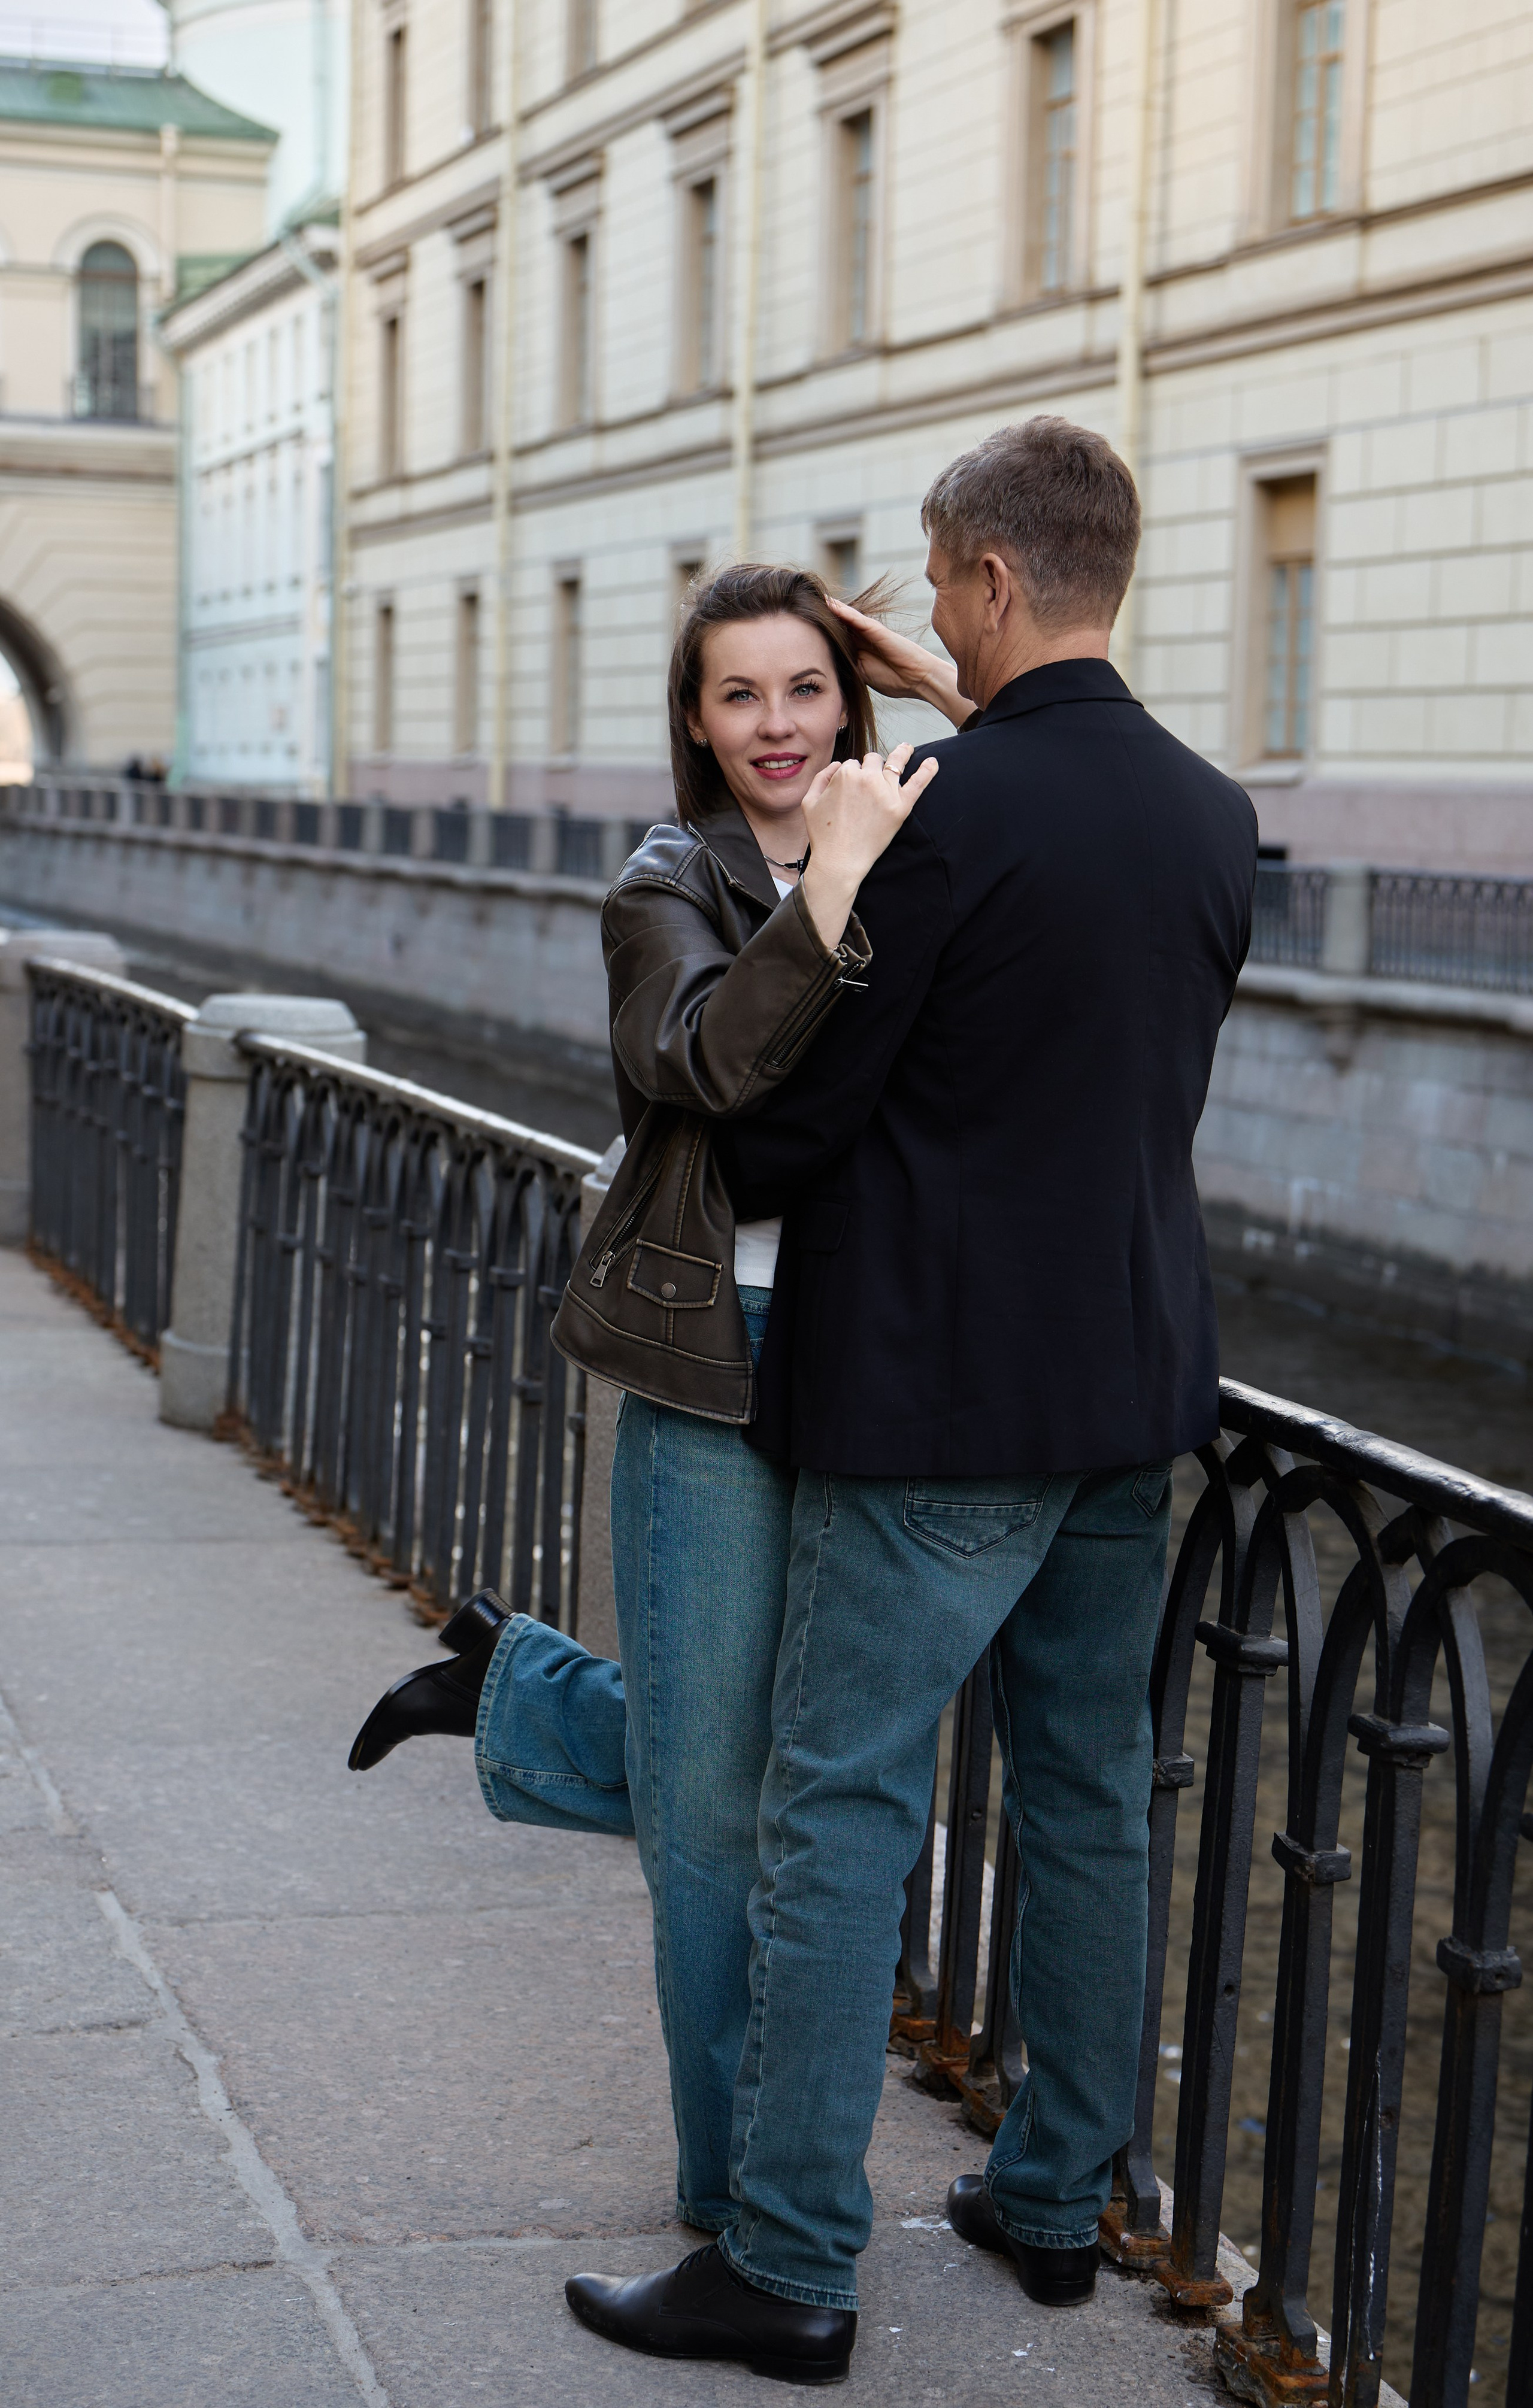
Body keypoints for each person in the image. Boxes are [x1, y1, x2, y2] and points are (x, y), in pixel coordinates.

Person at [559, 416, 1258, 2385]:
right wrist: (966, 716)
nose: (934, 619)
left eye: (945, 586)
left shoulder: (942, 817)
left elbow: (797, 1134)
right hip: (1137, 1384)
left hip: (944, 1398)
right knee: (1091, 1797)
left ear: (991, 580)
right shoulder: (1212, 815)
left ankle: (785, 2258)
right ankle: (1055, 2202)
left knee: (835, 1803)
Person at [346, 564, 959, 2254]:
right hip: (714, 1347)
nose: (780, 725)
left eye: (809, 688)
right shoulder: (666, 881)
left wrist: (949, 698)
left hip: (883, 1348)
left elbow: (1096, 809)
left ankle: (518, 1688)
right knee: (708, 1813)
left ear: (851, 697)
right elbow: (699, 1061)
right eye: (740, 693)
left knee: (818, 1776)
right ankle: (732, 2189)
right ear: (695, 717)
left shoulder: (922, 816)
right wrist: (832, 887)